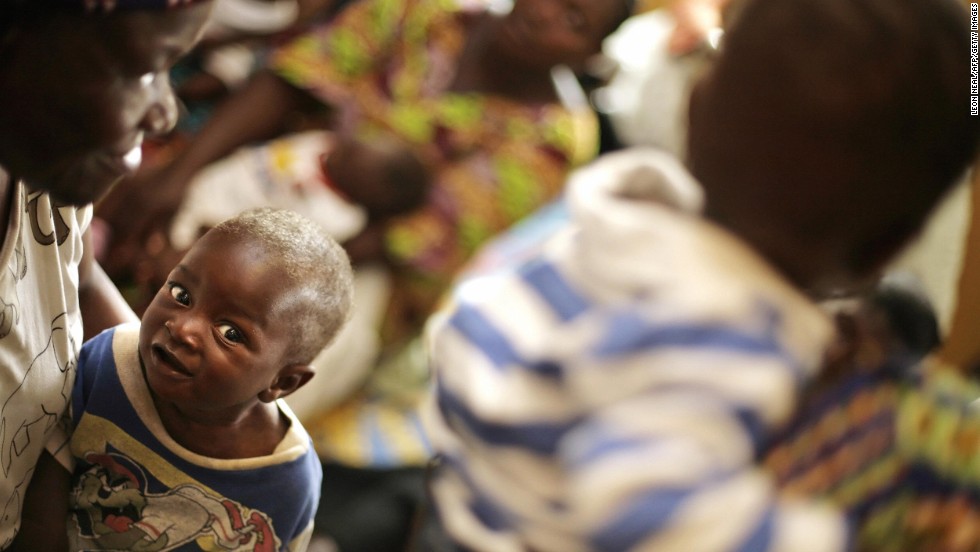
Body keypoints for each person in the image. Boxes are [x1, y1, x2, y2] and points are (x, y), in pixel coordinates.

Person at [423, 0, 980, 549]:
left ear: (692, 106)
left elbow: (463, 330)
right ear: (890, 246)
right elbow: (642, 508)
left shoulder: (612, 218)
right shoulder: (732, 336)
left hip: (459, 499)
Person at [99, 0, 637, 548]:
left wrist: (241, 274)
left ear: (592, 53)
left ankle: (172, 473)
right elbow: (294, 77)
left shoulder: (551, 139)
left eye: (574, 22)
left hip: (356, 261)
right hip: (282, 169)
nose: (547, 16)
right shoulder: (424, 10)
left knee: (279, 345)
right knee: (135, 202)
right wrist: (178, 180)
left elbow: (418, 238)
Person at [12, 207, 355, 551]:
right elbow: (40, 517)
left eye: (230, 333)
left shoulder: (284, 483)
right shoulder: (108, 367)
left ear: (283, 382)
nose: (182, 328)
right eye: (181, 295)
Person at [0, 1, 213, 549]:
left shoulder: (44, 179)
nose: (166, 111)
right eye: (149, 67)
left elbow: (79, 280)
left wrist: (191, 407)